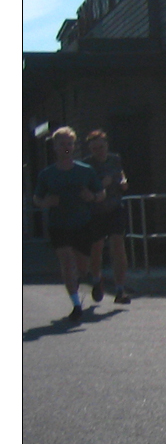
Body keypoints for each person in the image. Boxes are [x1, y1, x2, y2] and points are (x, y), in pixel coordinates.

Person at [32, 126, 105, 323]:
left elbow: (100, 194)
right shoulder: (47, 174)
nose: (66, 147)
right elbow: (37, 199)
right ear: (54, 147)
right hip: (59, 224)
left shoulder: (85, 171)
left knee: (82, 267)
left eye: (69, 144)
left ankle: (93, 279)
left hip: (82, 223)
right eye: (62, 144)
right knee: (66, 261)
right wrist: (46, 202)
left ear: (74, 146)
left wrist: (92, 196)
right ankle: (76, 305)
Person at [83, 130, 131, 304]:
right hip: (95, 211)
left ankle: (120, 290)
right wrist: (100, 186)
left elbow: (121, 173)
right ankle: (96, 280)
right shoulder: (87, 165)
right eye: (95, 148)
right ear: (90, 149)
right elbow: (84, 189)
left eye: (101, 147)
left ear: (106, 145)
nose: (99, 151)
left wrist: (123, 182)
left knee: (118, 246)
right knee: (97, 248)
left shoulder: (114, 159)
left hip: (115, 207)